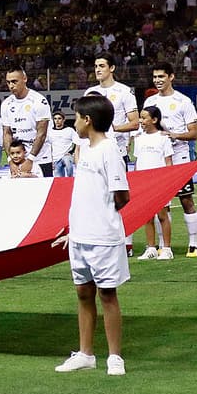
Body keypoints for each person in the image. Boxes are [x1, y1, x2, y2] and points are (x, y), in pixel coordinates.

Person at [51, 94, 130, 376]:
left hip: (103, 237)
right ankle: (85, 354)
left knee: (107, 294)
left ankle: (115, 357)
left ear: (88, 120)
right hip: (80, 237)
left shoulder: (109, 150)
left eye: (76, 117)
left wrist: (100, 218)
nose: (74, 122)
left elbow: (122, 195)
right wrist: (75, 228)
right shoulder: (84, 150)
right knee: (83, 293)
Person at [143, 63, 197, 257]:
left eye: (161, 76)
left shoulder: (183, 101)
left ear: (171, 77)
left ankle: (193, 243)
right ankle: (162, 245)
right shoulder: (150, 101)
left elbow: (194, 133)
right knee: (161, 203)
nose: (157, 80)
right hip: (158, 158)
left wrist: (174, 135)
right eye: (155, 77)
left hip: (180, 157)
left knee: (186, 200)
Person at [86, 55, 138, 254]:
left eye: (102, 66)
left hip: (117, 152)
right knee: (97, 197)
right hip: (94, 153)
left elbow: (135, 122)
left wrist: (114, 129)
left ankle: (127, 243)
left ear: (112, 68)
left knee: (119, 196)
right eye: (95, 66)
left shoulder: (124, 92)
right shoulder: (91, 92)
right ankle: (101, 238)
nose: (98, 69)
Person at [131, 105, 174, 260]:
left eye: (144, 118)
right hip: (144, 183)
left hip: (160, 182)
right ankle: (151, 248)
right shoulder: (139, 138)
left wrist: (168, 182)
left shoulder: (163, 138)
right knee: (147, 217)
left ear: (154, 120)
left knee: (162, 215)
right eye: (140, 118)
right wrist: (137, 180)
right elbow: (138, 162)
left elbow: (168, 161)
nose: (141, 121)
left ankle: (166, 248)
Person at [0, 68, 53, 176]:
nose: (11, 86)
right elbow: (7, 133)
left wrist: (30, 159)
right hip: (17, 159)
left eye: (14, 81)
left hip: (40, 158)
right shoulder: (6, 104)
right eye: (8, 82)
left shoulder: (39, 101)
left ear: (24, 79)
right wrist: (10, 160)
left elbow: (41, 134)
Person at [48, 112, 77, 178]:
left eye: (59, 118)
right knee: (59, 179)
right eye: (55, 119)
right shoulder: (50, 131)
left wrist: (71, 152)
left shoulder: (70, 130)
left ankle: (71, 178)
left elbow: (76, 142)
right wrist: (50, 160)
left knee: (67, 160)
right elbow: (49, 147)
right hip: (56, 159)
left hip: (66, 156)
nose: (57, 120)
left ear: (63, 120)